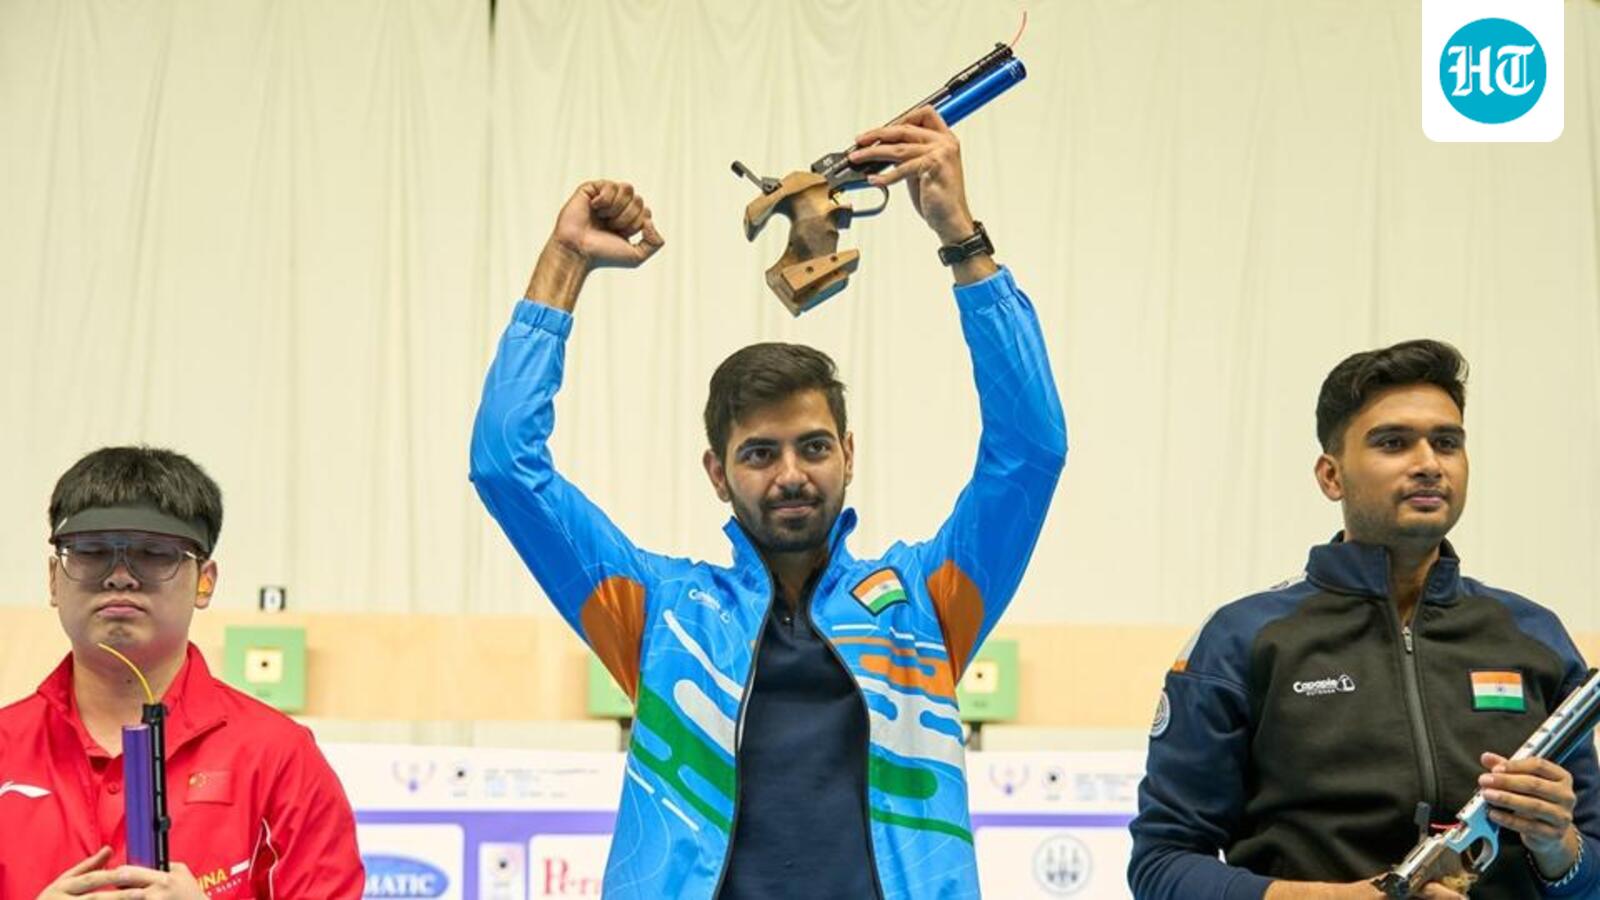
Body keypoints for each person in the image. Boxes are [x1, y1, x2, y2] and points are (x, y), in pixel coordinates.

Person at [469, 106, 1066, 898]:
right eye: (759, 453)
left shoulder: (925, 603)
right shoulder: (659, 613)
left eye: (813, 447)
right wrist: (565, 262)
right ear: (717, 474)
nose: (790, 473)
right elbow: (505, 464)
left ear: (848, 455)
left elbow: (1031, 451)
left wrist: (962, 239)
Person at [1129, 340, 1600, 899]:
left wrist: (1559, 848)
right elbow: (1162, 867)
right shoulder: (1241, 640)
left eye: (1447, 443)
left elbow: (1591, 871)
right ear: (1331, 476)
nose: (1429, 464)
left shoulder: (1535, 637)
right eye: (1393, 443)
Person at [1, 446, 364, 899]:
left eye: (154, 553)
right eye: (92, 551)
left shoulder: (278, 758)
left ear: (205, 581)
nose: (119, 576)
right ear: (54, 578)